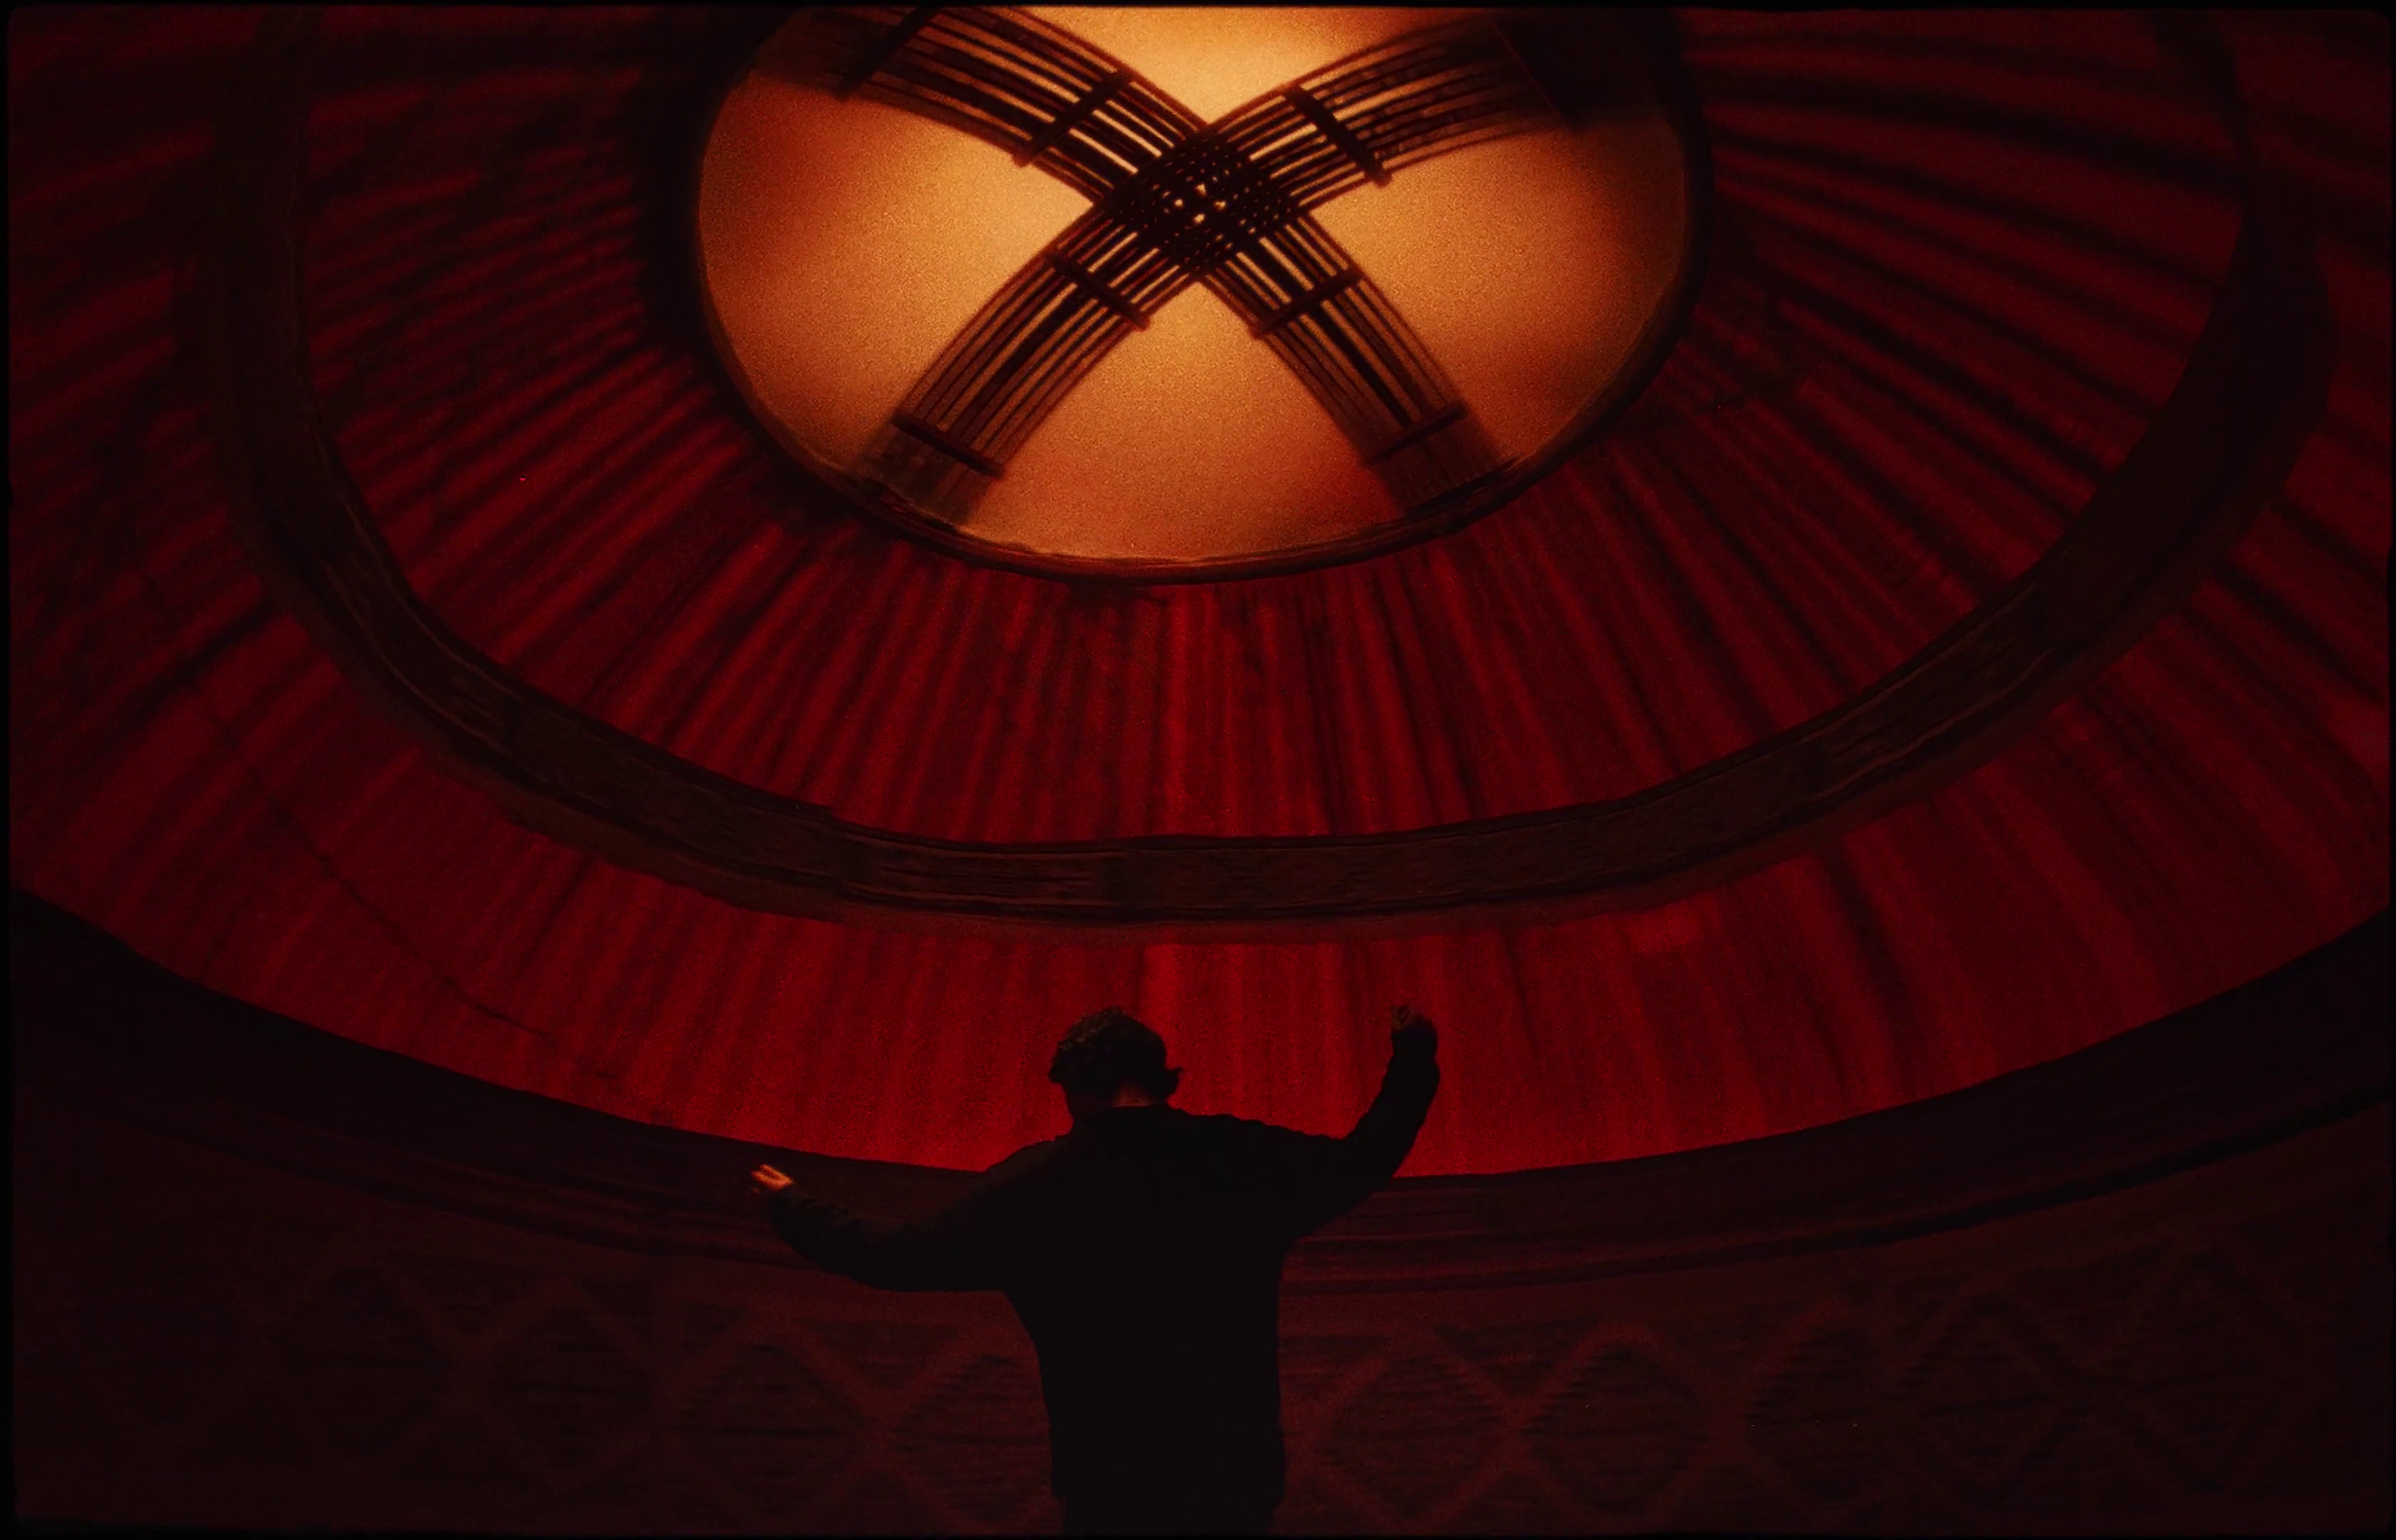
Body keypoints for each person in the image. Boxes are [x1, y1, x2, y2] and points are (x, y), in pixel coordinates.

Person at [750, 1003, 1441, 1536]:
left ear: (1074, 1086)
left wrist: (795, 1206)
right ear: (1157, 1077)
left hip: (1109, 1481)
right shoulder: (1239, 1160)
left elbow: (897, 1257)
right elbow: (1363, 1160)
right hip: (1236, 1471)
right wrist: (1412, 1059)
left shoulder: (1035, 1187)